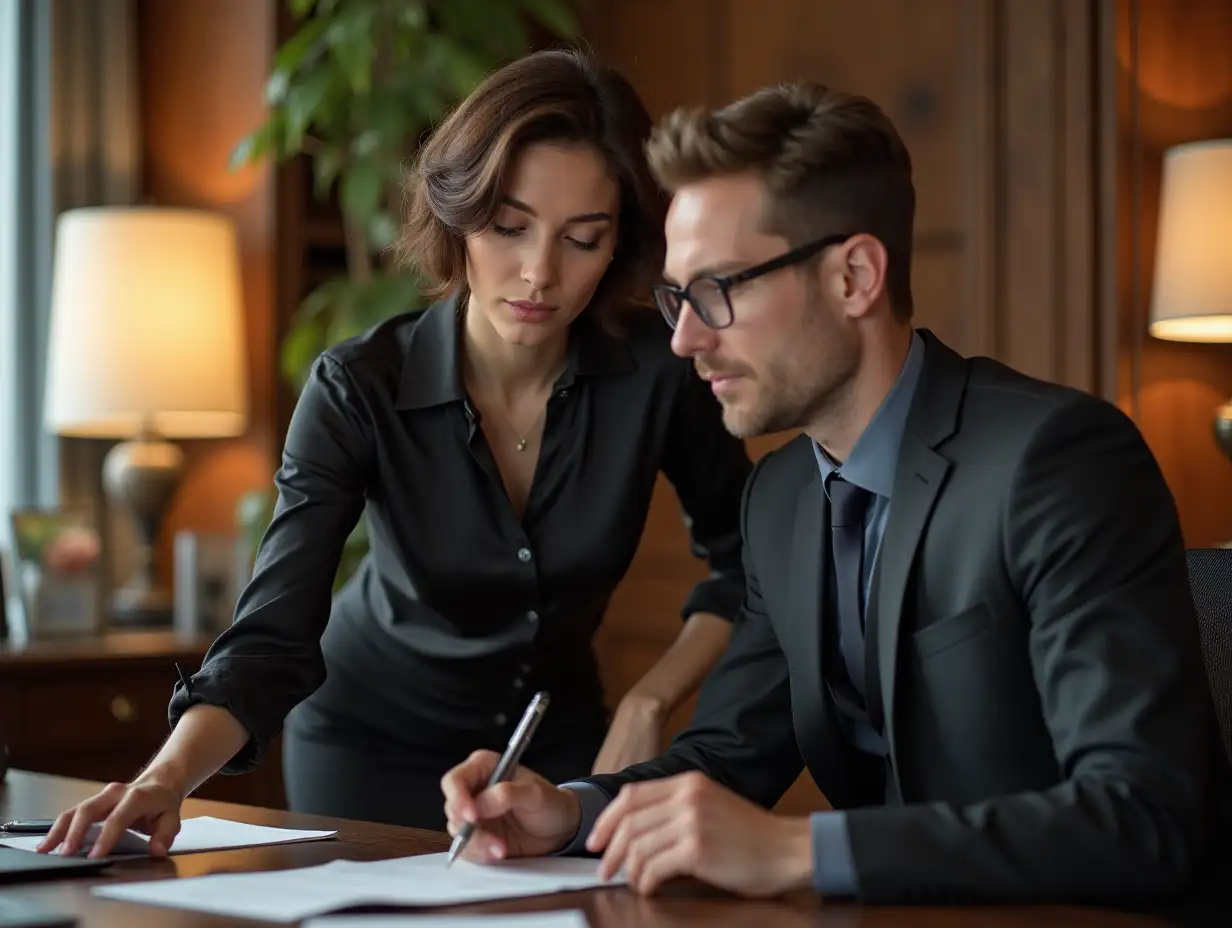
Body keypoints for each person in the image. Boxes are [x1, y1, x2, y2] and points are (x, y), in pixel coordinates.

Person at [440, 80, 1232, 905]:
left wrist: (798, 851)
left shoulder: (1058, 462)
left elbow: (1142, 815)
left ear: (854, 277)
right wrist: (572, 813)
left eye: (718, 290)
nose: (684, 338)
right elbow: (730, 753)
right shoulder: (780, 497)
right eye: (676, 297)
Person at [38, 48, 754, 858]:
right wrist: (165, 778)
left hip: (557, 754)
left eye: (582, 239)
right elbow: (273, 632)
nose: (539, 272)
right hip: (366, 743)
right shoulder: (358, 386)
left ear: (621, 241)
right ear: (458, 215)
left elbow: (745, 566)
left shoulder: (662, 375)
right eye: (507, 228)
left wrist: (650, 701)